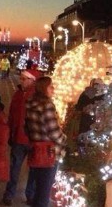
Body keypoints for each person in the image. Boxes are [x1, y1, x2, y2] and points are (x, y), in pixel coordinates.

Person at [25, 76, 67, 207]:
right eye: (51, 86)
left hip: (36, 151)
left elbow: (26, 127)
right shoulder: (47, 105)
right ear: (44, 89)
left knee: (38, 189)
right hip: (49, 153)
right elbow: (54, 133)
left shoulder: (30, 103)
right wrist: (65, 140)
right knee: (44, 193)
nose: (53, 89)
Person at [2, 70, 37, 205]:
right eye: (21, 78)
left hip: (33, 139)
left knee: (33, 169)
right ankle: (9, 194)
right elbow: (12, 115)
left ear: (32, 80)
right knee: (14, 168)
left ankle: (30, 195)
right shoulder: (17, 94)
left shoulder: (37, 96)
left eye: (24, 79)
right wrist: (9, 133)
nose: (21, 81)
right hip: (18, 138)